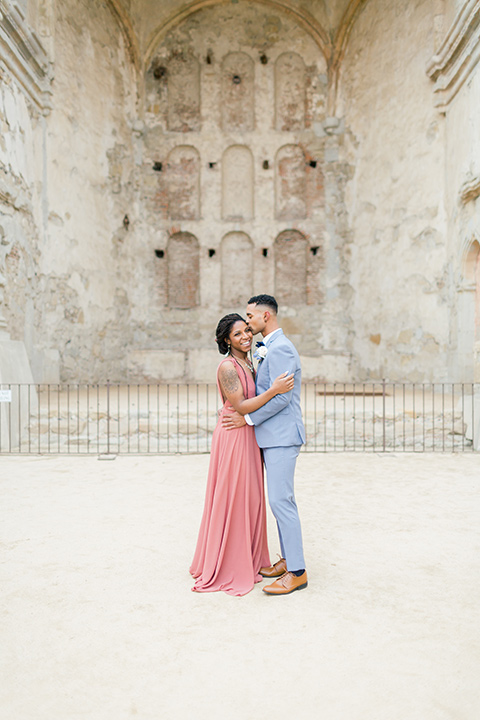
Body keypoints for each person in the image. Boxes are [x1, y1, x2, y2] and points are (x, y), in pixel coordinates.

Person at [190, 313, 295, 596]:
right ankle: (227, 561)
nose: (246, 336)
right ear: (226, 340)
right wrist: (274, 390)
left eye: (247, 331)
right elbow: (242, 405)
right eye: (237, 334)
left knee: (250, 497)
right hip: (234, 436)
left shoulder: (250, 361)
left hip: (249, 436)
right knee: (233, 496)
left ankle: (249, 556)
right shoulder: (228, 367)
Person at [222, 295, 307, 595]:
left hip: (282, 436)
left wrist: (248, 420)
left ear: (265, 317)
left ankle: (297, 572)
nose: (247, 322)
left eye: (250, 316)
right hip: (273, 437)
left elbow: (282, 397)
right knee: (278, 501)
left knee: (281, 501)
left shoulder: (281, 348)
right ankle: (287, 560)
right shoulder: (266, 347)